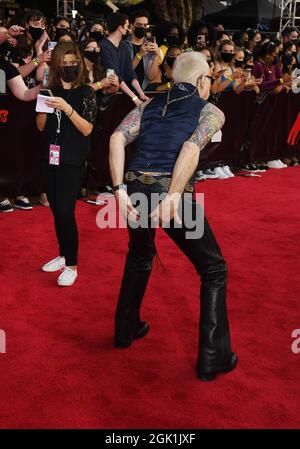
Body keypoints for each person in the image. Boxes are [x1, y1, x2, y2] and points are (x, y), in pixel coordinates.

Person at [109, 52, 237, 381]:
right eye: (209, 77)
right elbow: (191, 149)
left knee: (139, 254)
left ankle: (125, 331)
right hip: (171, 194)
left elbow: (116, 138)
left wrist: (120, 189)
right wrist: (175, 196)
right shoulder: (210, 111)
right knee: (213, 269)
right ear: (201, 81)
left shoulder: (148, 105)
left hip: (135, 188)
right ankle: (213, 357)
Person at [36, 42, 97, 286]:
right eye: (65, 63)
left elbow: (87, 129)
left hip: (72, 160)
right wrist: (44, 107)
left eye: (74, 63)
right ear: (57, 65)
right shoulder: (48, 91)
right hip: (49, 157)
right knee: (55, 209)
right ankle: (62, 255)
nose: (70, 67)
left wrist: (68, 109)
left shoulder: (86, 93)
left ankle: (72, 264)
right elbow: (40, 127)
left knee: (65, 211)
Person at [100, 12, 149, 107]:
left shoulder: (123, 46)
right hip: (108, 98)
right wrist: (135, 98)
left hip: (122, 96)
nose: (129, 29)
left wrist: (141, 94)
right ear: (120, 28)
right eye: (127, 26)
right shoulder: (103, 46)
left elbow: (130, 72)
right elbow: (115, 75)